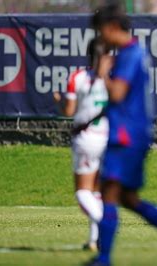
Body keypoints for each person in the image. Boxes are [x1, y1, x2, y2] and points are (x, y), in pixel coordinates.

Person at [91, 4, 157, 266]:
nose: (100, 38)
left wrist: (102, 72)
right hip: (132, 134)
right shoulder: (135, 52)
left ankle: (103, 259)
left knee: (109, 193)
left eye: (101, 31)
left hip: (125, 136)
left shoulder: (129, 54)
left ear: (112, 27)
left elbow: (116, 94)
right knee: (128, 199)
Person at [53, 38, 108, 252]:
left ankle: (103, 223)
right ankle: (94, 240)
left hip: (86, 138)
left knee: (82, 192)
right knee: (96, 192)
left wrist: (58, 99)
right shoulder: (110, 80)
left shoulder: (78, 77)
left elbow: (68, 111)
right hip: (106, 139)